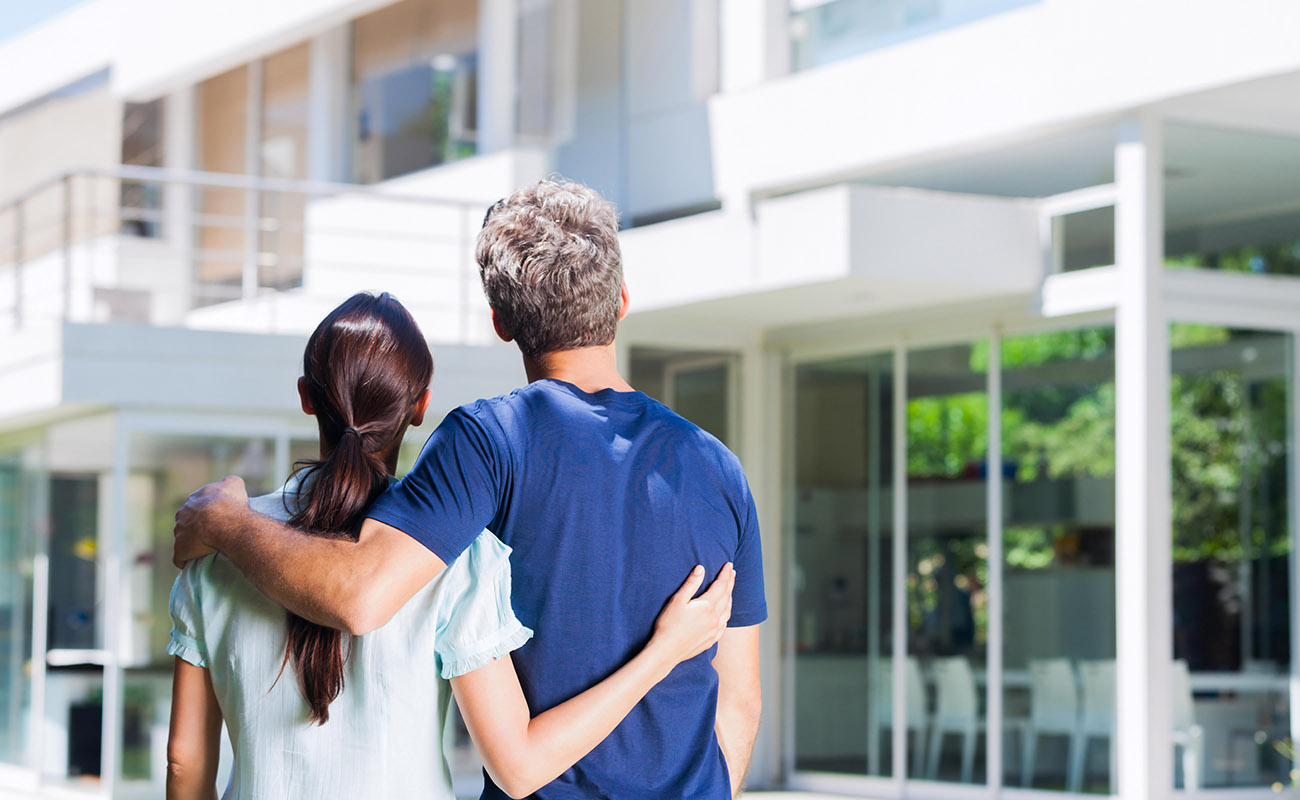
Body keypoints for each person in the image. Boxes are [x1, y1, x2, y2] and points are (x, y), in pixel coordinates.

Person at [173, 180, 766, 799]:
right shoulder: (719, 467)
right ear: (620, 301)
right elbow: (741, 700)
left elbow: (362, 596)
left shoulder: (489, 440)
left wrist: (225, 523)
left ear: (500, 322)